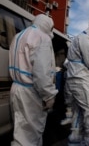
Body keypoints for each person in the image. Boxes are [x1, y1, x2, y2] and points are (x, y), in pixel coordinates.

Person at [8, 14, 58, 146]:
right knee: (31, 135)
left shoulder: (18, 36)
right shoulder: (42, 37)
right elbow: (41, 73)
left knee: (20, 130)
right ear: (47, 25)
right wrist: (48, 96)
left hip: (16, 88)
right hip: (31, 93)